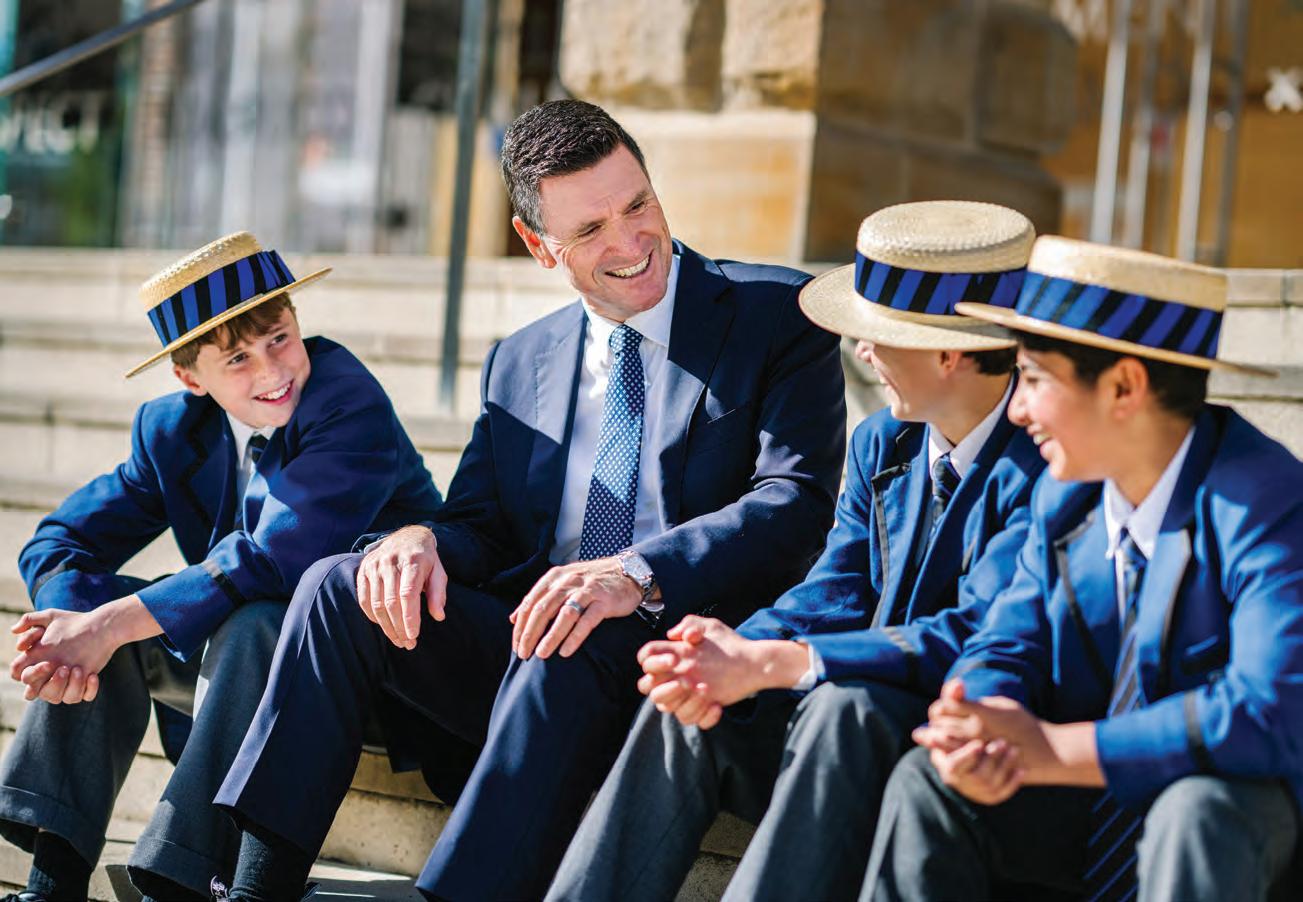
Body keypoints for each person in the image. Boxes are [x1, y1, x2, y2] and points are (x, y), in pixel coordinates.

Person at [213, 98, 847, 901]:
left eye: (638, 205)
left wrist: (634, 573)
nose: (630, 242)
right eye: (590, 230)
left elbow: (794, 503)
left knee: (568, 627)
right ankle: (255, 890)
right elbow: (481, 525)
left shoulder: (777, 314)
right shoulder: (520, 360)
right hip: (536, 655)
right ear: (537, 244)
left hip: (686, 648)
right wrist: (419, 540)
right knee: (339, 584)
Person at [546, 200, 1047, 902]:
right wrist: (732, 650)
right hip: (848, 720)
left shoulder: (1050, 461)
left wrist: (783, 661)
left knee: (842, 707)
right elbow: (835, 588)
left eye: (878, 334)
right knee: (692, 695)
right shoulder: (884, 441)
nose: (861, 352)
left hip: (962, 749)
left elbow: (975, 633)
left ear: (949, 352)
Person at [0, 232, 443, 902]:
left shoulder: (346, 400)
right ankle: (52, 885)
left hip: (368, 668)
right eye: (236, 358)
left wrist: (108, 625)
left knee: (252, 619)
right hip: (241, 672)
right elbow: (59, 539)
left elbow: (275, 557)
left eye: (279, 337)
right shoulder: (172, 432)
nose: (271, 369)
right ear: (191, 379)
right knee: (95, 616)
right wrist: (73, 630)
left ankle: (178, 881)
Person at [865, 235, 1302, 901]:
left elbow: (1266, 710)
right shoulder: (1063, 495)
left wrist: (1058, 749)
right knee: (929, 778)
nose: (1016, 409)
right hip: (1090, 816)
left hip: (1245, 831)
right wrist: (981, 718)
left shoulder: (1265, 499)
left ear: (1124, 387)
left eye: (1034, 379)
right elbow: (1005, 641)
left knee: (1196, 810)